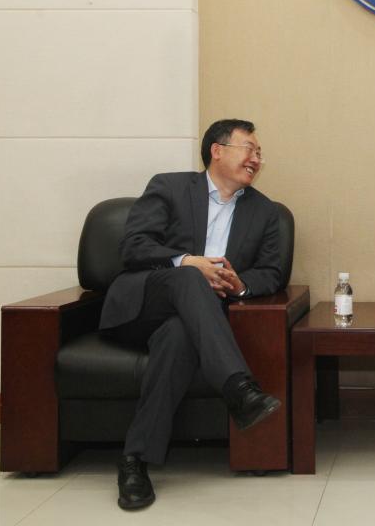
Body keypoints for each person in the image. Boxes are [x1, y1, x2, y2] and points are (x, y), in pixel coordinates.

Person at [100, 119, 285, 510]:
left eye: (259, 153)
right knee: (189, 277)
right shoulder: (169, 187)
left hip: (196, 321)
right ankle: (238, 387)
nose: (256, 158)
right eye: (249, 148)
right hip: (143, 304)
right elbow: (134, 246)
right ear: (217, 150)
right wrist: (186, 261)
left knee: (179, 336)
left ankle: (135, 461)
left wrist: (239, 285)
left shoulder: (265, 212)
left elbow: (272, 272)